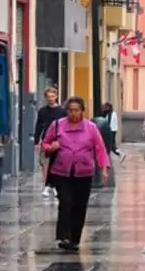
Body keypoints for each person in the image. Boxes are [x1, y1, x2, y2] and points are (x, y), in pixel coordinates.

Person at [42, 97, 111, 251]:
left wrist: (104, 168)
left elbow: (100, 149)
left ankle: (74, 239)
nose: (73, 114)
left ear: (82, 111)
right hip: (61, 172)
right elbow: (45, 143)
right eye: (70, 110)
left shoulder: (91, 128)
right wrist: (51, 147)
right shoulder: (57, 125)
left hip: (83, 172)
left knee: (80, 205)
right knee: (66, 202)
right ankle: (64, 236)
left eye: (76, 110)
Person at [34, 87, 67, 198]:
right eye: (48, 97)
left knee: (56, 164)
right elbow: (38, 125)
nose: (51, 99)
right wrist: (36, 140)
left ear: (56, 97)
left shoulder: (62, 111)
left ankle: (52, 186)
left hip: (59, 140)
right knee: (44, 163)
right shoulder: (42, 111)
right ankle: (48, 185)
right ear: (45, 98)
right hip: (46, 140)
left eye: (53, 96)